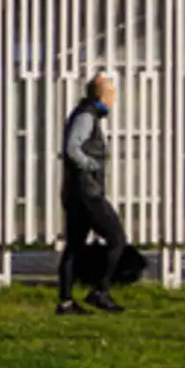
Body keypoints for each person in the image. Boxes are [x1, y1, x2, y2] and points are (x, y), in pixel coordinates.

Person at [56, 72, 130, 315]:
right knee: (117, 240)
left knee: (74, 247)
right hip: (88, 194)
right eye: (112, 94)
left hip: (76, 193)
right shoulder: (86, 117)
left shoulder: (84, 114)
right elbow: (72, 148)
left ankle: (65, 303)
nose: (114, 99)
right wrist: (91, 165)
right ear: (103, 97)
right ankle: (100, 291)